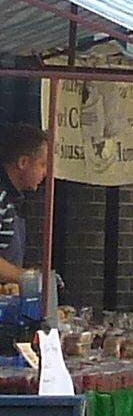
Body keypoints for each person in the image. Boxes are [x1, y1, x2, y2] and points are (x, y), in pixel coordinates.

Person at [0, 124, 51, 292]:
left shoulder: (11, 199)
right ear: (23, 162)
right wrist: (27, 277)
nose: (45, 173)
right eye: (42, 164)